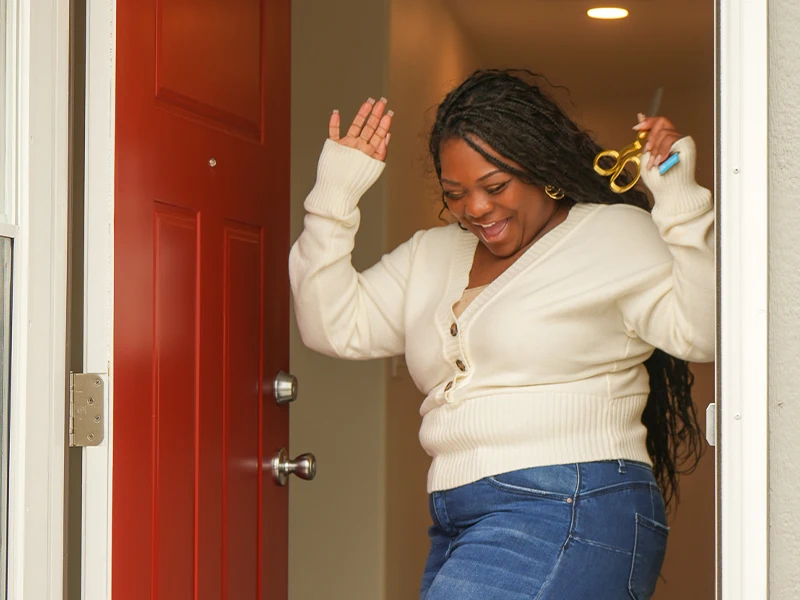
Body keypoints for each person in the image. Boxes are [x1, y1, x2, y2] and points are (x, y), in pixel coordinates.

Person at [289, 69, 714, 600]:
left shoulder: (610, 235)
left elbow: (703, 332)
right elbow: (330, 325)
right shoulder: (432, 253)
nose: (476, 209)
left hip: (570, 502)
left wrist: (681, 203)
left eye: (494, 187)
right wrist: (332, 198)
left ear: (539, 167)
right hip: (457, 517)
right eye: (456, 194)